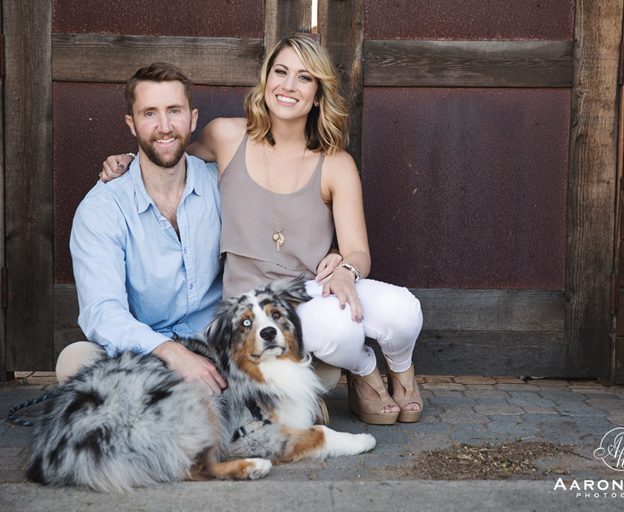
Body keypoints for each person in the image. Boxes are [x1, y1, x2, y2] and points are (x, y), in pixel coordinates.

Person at [102, 36, 424, 424]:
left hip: (309, 289)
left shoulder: (336, 163)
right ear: (266, 79)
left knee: (404, 310)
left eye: (304, 78)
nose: (288, 86)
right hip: (251, 304)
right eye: (281, 72)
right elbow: (168, 154)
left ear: (318, 94)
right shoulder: (226, 136)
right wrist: (125, 158)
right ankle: (365, 371)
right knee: (338, 331)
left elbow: (358, 251)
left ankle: (403, 374)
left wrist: (345, 269)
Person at [56, 63, 227, 395]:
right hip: (147, 353)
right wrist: (172, 353)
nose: (164, 127)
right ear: (131, 125)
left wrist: (338, 254)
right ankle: (221, 406)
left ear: (192, 119)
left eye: (174, 111)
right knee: (74, 362)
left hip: (220, 346)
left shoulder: (222, 185)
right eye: (150, 114)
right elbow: (102, 311)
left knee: (313, 367)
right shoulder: (102, 208)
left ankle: (178, 403)